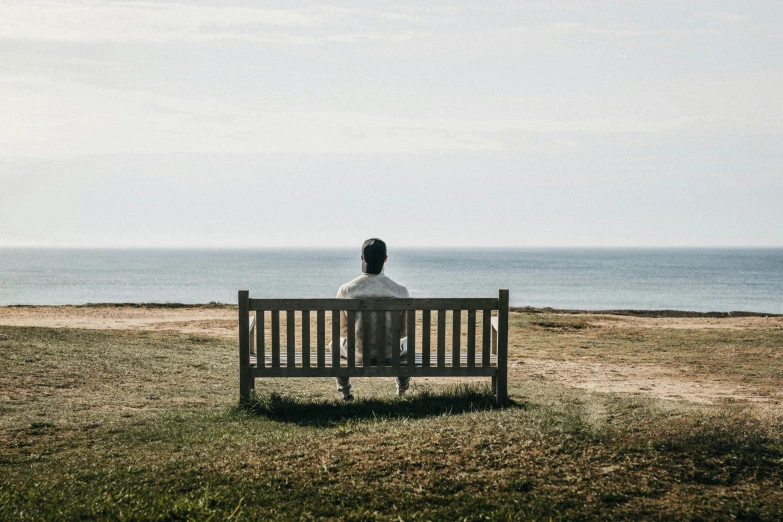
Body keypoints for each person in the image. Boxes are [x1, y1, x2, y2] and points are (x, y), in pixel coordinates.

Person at [330, 238, 410, 401]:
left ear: (362, 257)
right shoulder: (400, 290)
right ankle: (402, 388)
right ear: (385, 259)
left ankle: (346, 392)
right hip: (389, 354)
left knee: (334, 344)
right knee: (409, 342)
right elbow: (404, 330)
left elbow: (342, 330)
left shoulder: (346, 290)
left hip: (358, 354)